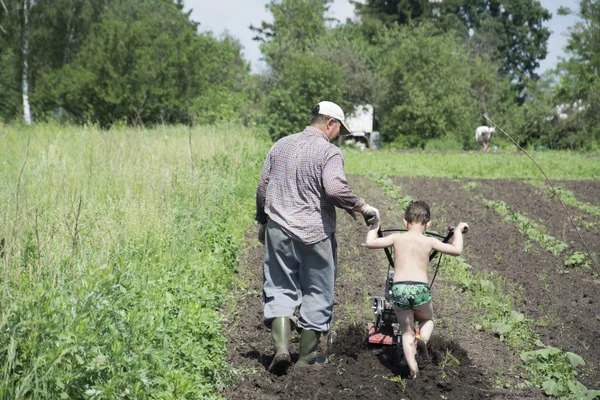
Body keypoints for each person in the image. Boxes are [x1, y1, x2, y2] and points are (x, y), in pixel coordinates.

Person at [256, 101, 380, 375]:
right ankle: (306, 359)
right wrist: (362, 207)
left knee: (279, 286)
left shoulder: (280, 145)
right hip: (315, 233)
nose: (338, 136)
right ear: (330, 124)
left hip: (278, 229)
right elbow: (334, 188)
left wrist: (262, 221)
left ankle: (281, 350)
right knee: (317, 292)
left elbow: (263, 186)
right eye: (339, 130)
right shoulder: (329, 152)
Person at [365, 201, 468, 379]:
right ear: (428, 225)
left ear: (405, 223)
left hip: (399, 289)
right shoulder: (429, 240)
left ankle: (413, 371)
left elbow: (370, 243)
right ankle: (422, 341)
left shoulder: (396, 238)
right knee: (427, 320)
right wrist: (457, 231)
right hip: (420, 288)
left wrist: (375, 225)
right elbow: (456, 250)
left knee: (406, 331)